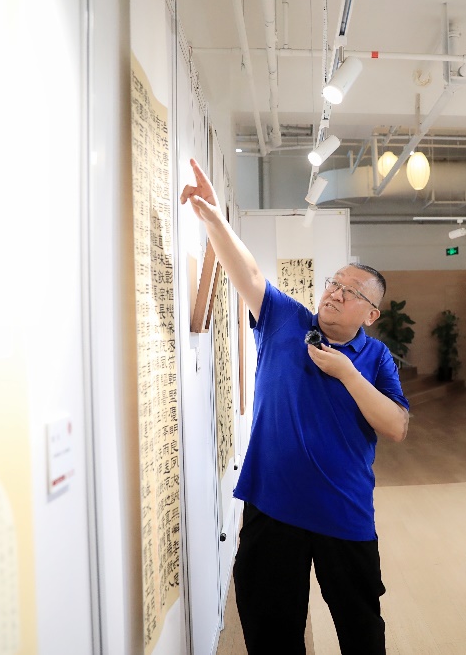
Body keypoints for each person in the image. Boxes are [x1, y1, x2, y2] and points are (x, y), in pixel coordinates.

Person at [180, 159, 410, 654]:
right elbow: (249, 272)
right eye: (334, 283)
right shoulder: (286, 320)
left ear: (371, 313)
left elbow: (396, 426)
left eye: (351, 292)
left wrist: (347, 374)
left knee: (361, 631)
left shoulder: (375, 357)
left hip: (344, 512)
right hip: (273, 507)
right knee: (271, 633)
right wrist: (215, 219)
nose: (336, 294)